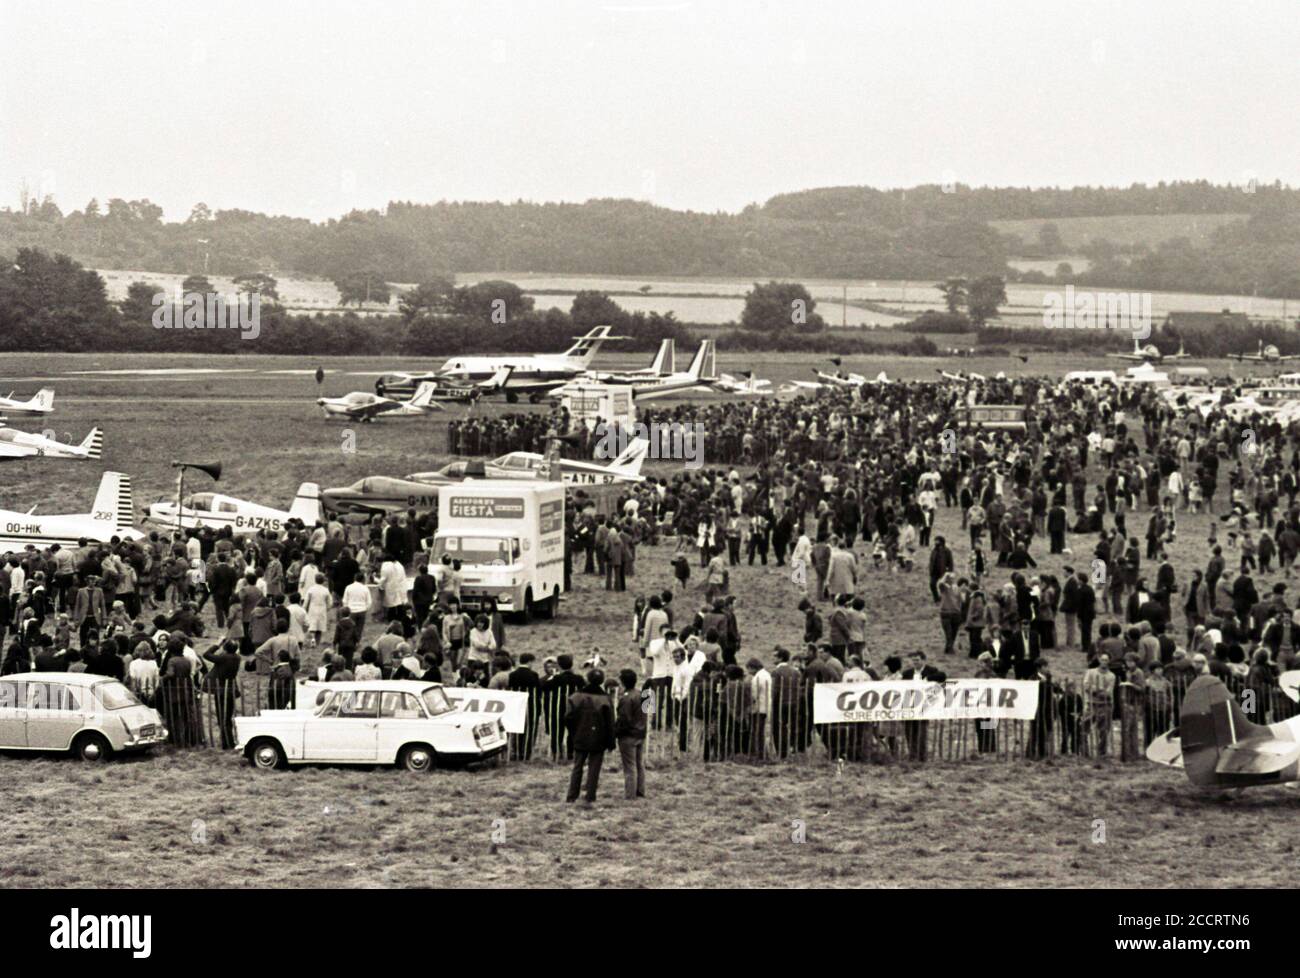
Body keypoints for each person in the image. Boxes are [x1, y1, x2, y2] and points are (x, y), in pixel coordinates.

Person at [564, 668, 615, 805]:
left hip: (580, 736)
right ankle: (590, 796)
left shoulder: (576, 697)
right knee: (594, 768)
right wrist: (611, 742)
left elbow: (568, 718)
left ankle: (571, 795)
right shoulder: (606, 699)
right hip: (599, 738)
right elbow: (610, 723)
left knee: (577, 766)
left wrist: (574, 733)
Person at [614, 668, 647, 799]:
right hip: (640, 733)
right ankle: (640, 790)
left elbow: (624, 720)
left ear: (622, 682)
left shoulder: (625, 699)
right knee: (639, 764)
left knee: (630, 766)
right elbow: (648, 713)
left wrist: (616, 732)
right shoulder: (643, 694)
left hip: (628, 736)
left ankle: (630, 794)